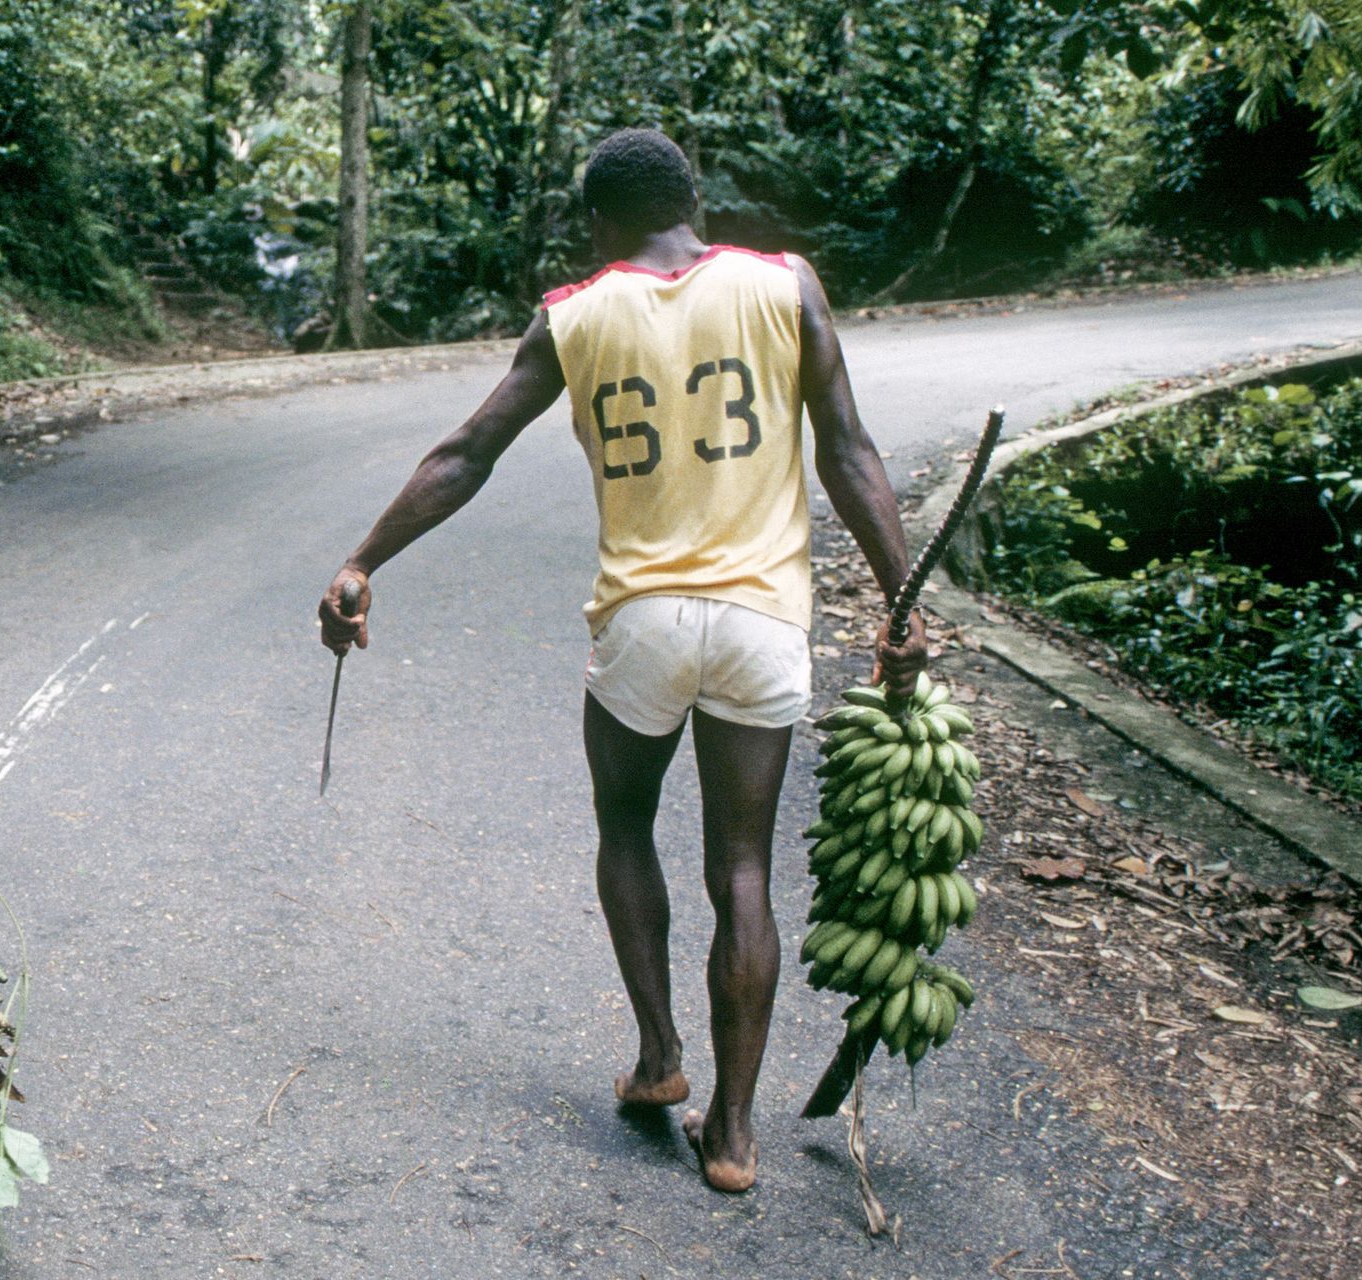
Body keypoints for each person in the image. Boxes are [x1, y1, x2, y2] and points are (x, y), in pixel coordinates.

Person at [316, 128, 927, 1194]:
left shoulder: (573, 313)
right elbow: (846, 447)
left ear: (599, 220)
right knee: (742, 868)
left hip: (641, 623)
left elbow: (467, 453)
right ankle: (734, 1136)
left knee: (627, 826)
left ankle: (659, 1058)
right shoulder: (786, 285)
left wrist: (364, 559)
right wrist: (901, 598)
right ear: (696, 198)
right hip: (760, 622)